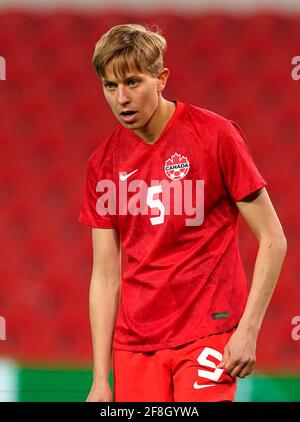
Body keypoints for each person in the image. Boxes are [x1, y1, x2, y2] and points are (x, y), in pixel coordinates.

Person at [78, 23, 287, 402]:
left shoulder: (216, 136)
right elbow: (105, 276)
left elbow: (274, 239)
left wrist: (249, 329)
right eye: (110, 86)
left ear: (161, 79)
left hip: (207, 331)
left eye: (133, 82)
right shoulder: (103, 164)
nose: (122, 98)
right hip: (135, 345)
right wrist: (99, 379)